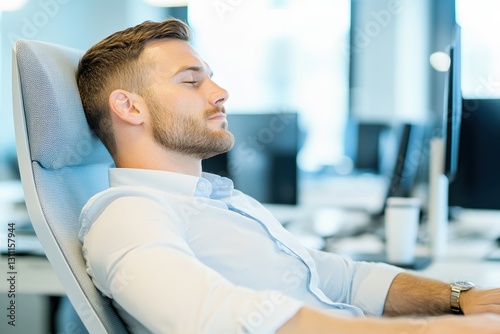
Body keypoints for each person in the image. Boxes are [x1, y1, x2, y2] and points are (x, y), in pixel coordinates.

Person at [76, 18, 500, 334]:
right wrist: (426, 331)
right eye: (191, 81)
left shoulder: (223, 202)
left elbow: (343, 279)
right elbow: (211, 316)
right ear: (129, 107)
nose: (220, 92)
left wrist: (463, 299)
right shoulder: (127, 215)